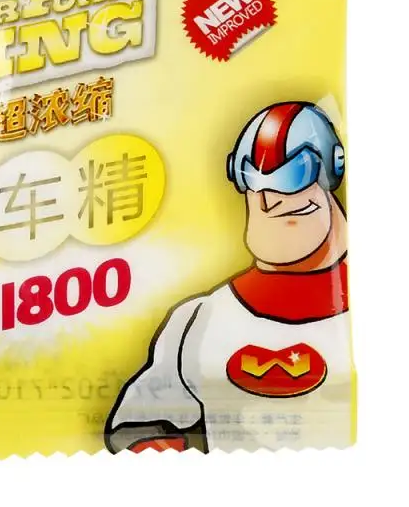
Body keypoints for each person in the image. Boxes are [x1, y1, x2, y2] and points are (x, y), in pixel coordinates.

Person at [104, 101, 352, 452]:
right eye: (250, 177)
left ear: (331, 169)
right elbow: (138, 424)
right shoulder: (200, 319)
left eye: (294, 175)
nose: (269, 200)